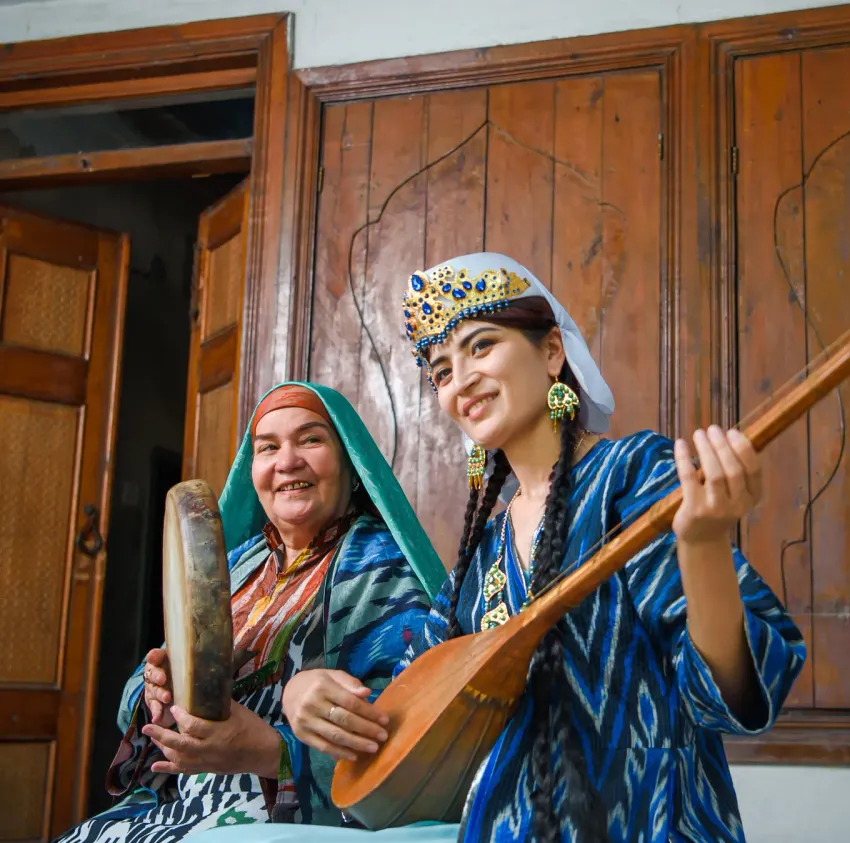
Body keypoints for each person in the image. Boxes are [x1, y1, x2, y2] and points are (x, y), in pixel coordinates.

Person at [198, 252, 807, 842]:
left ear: (550, 351)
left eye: (481, 345)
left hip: (649, 821)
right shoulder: (481, 555)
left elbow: (727, 700)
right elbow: (413, 717)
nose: (460, 381)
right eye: (439, 370)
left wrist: (700, 547)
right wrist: (307, 697)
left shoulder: (633, 475)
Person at [56, 382, 445, 841]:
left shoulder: (384, 572)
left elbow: (416, 734)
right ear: (253, 470)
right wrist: (158, 694)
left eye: (311, 439)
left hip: (285, 819)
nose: (287, 462)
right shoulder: (236, 568)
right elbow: (139, 703)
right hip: (184, 805)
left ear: (350, 465)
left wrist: (268, 750)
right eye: (268, 448)